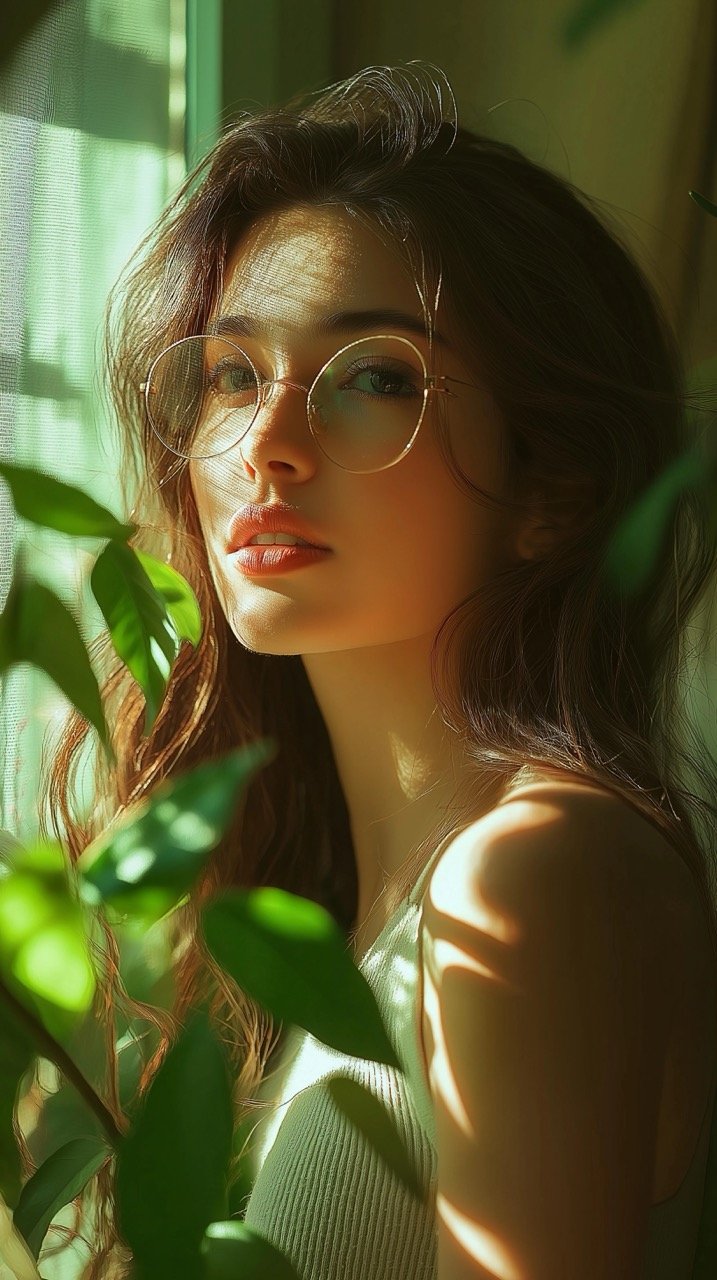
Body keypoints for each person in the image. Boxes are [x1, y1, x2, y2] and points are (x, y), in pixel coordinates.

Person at [36, 61, 717, 1279]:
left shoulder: (531, 877)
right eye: (236, 373)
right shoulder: (357, 905)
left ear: (552, 488)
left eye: (375, 377)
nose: (268, 447)